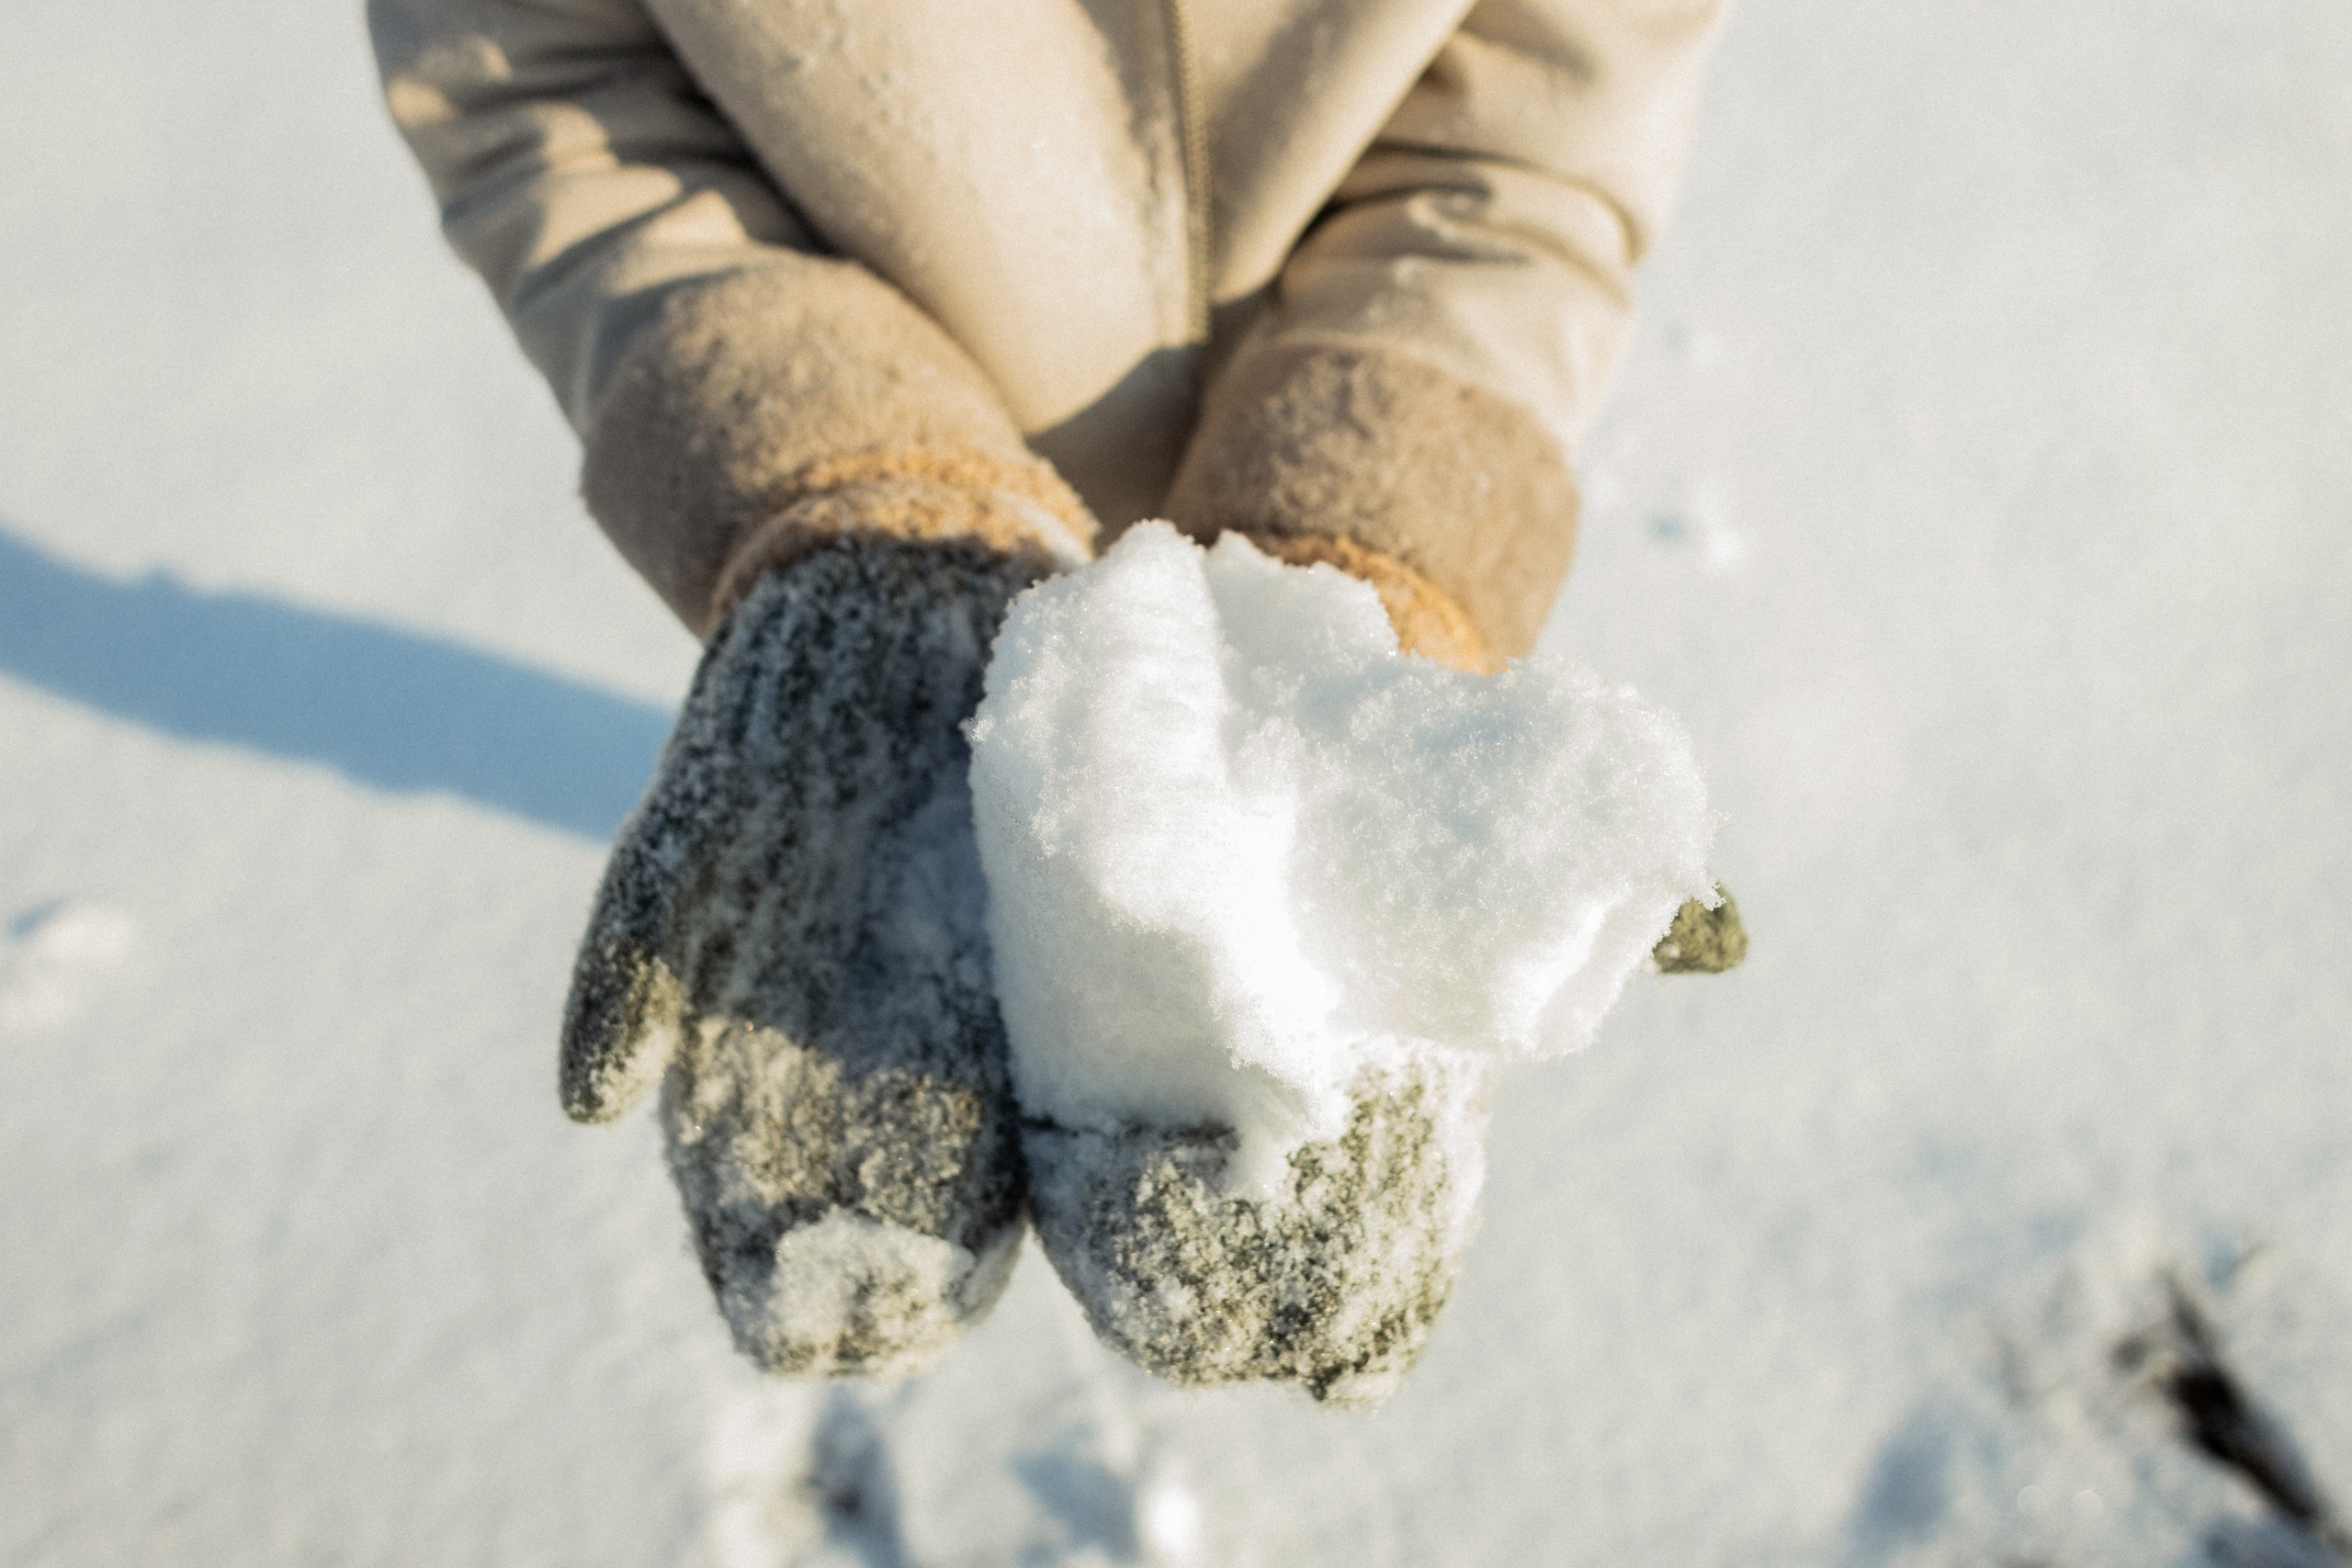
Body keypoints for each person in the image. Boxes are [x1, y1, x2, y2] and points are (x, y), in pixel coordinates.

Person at [369, 0, 1733, 1401]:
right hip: (863, 404)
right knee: (827, 814)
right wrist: (836, 469)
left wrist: (1373, 527)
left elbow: (1544, 119)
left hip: (1341, 367)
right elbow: (534, 72)